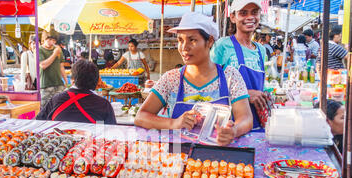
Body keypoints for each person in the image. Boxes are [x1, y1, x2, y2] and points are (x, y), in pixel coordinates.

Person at [134, 12, 253, 146]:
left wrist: (234, 130)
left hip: (217, 159)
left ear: (210, 41)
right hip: (177, 159)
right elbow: (141, 116)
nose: (184, 47)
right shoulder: (170, 79)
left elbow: (246, 118)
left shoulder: (230, 76)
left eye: (192, 40)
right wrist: (174, 123)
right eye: (180, 40)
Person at [210, 0, 267, 131]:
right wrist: (245, 94)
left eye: (254, 12)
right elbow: (209, 86)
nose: (250, 17)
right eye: (243, 13)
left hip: (257, 122)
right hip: (230, 124)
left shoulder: (261, 50)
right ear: (233, 17)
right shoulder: (222, 46)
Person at [36, 59, 116, 124]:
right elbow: (111, 132)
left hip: (61, 142)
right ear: (95, 82)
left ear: (72, 79)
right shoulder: (103, 105)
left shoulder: (55, 100)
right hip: (91, 143)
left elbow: (39, 122)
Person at [39, 33, 68, 108]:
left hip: (59, 84)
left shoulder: (58, 50)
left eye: (54, 40)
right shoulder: (39, 50)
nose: (52, 42)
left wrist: (65, 80)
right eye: (49, 39)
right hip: (46, 85)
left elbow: (61, 66)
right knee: (45, 108)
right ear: (44, 39)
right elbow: (43, 65)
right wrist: (55, 54)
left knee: (59, 108)